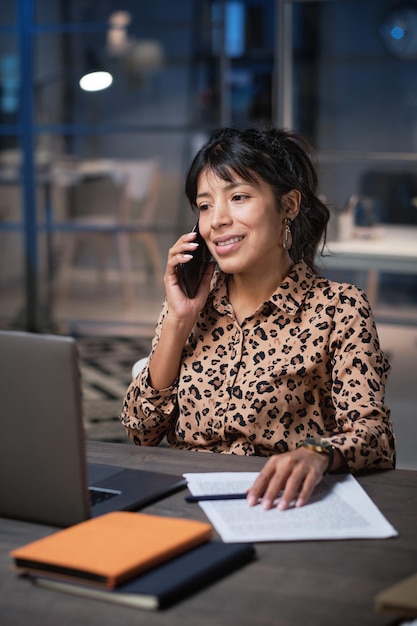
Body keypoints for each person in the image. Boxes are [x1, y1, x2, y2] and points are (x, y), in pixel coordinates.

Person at [120, 127, 396, 511]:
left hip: (275, 505)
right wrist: (178, 323)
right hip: (181, 500)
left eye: (238, 197)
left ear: (289, 206)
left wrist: (317, 452)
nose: (216, 220)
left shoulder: (340, 308)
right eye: (204, 205)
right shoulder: (189, 305)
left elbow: (376, 438)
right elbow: (140, 434)